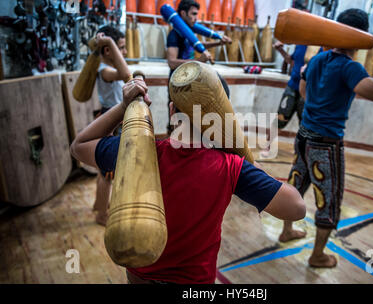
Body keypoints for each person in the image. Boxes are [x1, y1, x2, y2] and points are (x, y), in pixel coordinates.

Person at [70, 75, 306, 284]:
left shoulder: (140, 150)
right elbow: (296, 208)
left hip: (139, 275)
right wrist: (251, 162)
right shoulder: (231, 166)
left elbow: (79, 146)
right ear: (223, 118)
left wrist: (123, 106)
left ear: (172, 111)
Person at [279, 8, 373, 268]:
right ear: (361, 36)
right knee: (329, 200)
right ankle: (318, 255)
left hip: (304, 136)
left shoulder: (318, 60)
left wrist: (319, 105)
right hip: (325, 143)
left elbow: (303, 91)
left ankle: (286, 230)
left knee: (295, 183)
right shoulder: (350, 67)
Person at [166, 0, 232, 133]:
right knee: (177, 120)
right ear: (183, 14)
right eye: (193, 14)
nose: (196, 18)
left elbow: (199, 45)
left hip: (189, 79)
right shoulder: (174, 34)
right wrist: (198, 62)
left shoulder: (188, 33)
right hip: (178, 82)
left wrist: (219, 42)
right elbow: (172, 62)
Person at [92, 25, 130, 226]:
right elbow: (126, 74)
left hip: (114, 118)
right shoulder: (104, 70)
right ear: (108, 50)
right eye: (121, 47)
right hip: (110, 119)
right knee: (107, 172)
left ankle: (100, 203)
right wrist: (110, 43)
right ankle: (101, 214)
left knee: (107, 169)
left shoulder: (107, 67)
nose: (124, 52)